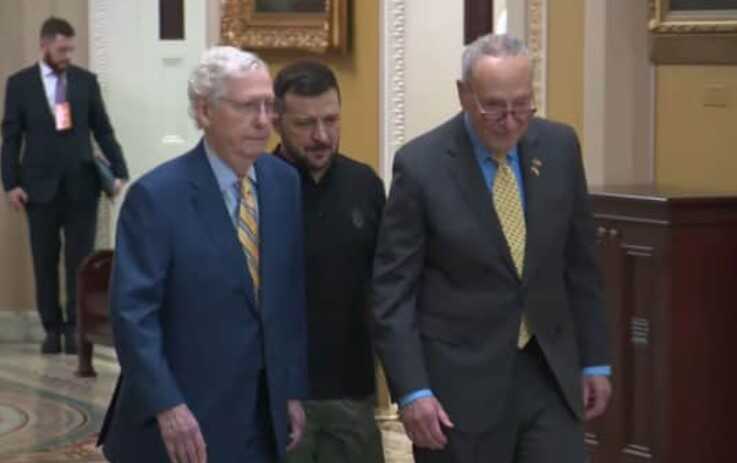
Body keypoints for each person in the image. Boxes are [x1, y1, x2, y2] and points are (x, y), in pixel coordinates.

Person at [371, 34, 612, 463]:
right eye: (494, 106)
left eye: (522, 105)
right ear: (464, 95)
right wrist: (412, 390)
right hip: (459, 387)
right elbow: (393, 292)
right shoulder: (422, 165)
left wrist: (595, 360)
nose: (509, 120)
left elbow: (581, 265)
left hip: (548, 372)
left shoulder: (559, 148)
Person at [97, 46, 308, 463]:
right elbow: (133, 315)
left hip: (261, 419)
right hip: (182, 424)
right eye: (249, 106)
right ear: (204, 111)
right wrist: (168, 406)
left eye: (270, 106)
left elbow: (287, 297)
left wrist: (291, 389)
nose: (264, 120)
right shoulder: (157, 198)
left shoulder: (283, 183)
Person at [273, 60, 386, 463]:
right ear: (276, 120)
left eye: (331, 120)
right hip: (278, 397)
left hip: (352, 394)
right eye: (305, 124)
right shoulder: (255, 188)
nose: (321, 136)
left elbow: (388, 289)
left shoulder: (366, 185)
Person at [1, 16, 128, 355]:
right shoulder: (20, 84)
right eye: (62, 49)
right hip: (38, 189)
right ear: (44, 45)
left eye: (71, 49)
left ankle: (76, 328)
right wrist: (11, 183)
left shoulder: (86, 82)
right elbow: (11, 138)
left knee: (80, 262)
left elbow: (103, 129)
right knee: (44, 261)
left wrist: (119, 171)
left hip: (82, 186)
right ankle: (52, 330)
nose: (68, 55)